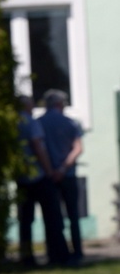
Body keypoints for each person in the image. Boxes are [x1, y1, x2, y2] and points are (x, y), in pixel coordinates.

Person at [15, 95, 70, 266]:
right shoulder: (31, 122)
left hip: (22, 177)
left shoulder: (14, 123)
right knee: (52, 217)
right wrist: (49, 171)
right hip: (39, 177)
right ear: (28, 106)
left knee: (25, 220)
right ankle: (56, 255)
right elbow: (38, 147)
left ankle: (27, 256)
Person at [39, 89, 85, 262]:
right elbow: (78, 148)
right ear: (60, 104)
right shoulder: (71, 123)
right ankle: (77, 253)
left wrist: (52, 170)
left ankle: (56, 254)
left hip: (48, 176)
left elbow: (39, 149)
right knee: (73, 215)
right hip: (68, 175)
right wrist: (63, 168)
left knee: (52, 217)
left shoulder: (39, 123)